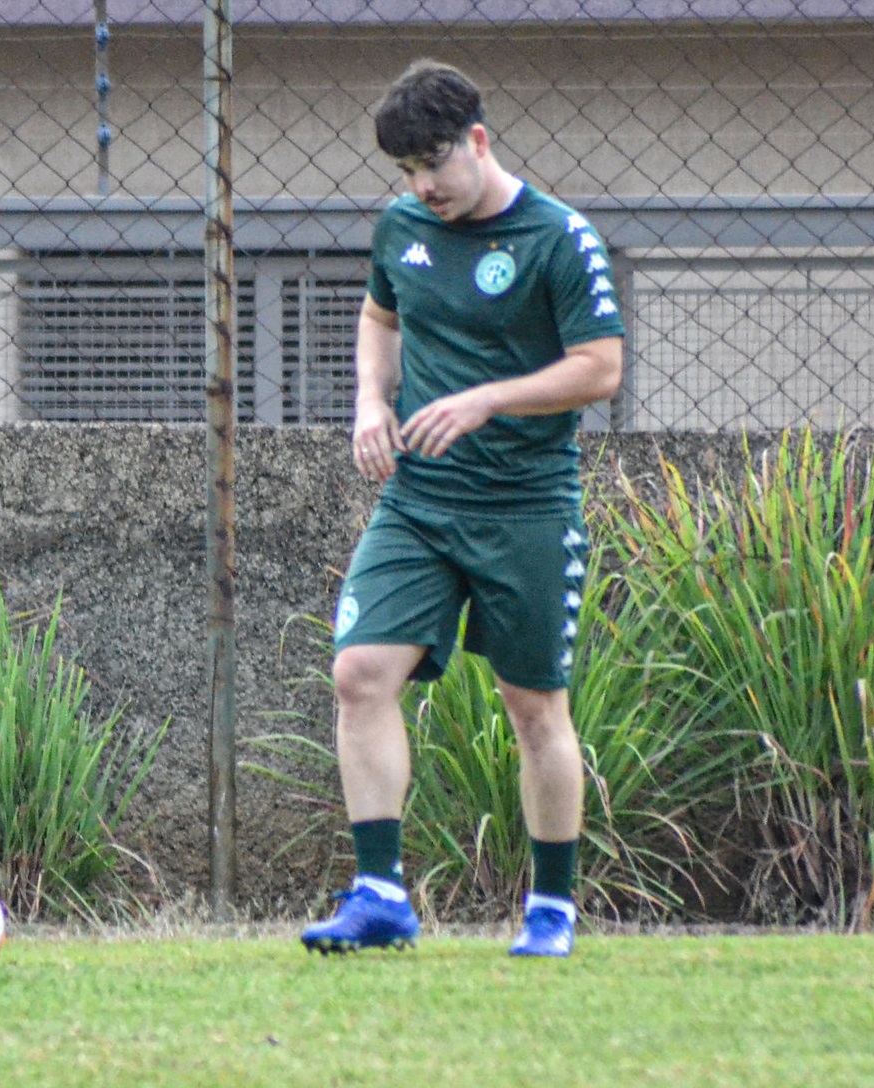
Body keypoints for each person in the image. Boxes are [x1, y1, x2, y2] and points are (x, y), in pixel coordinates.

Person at [300, 59, 625, 959]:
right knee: (360, 674)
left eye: (433, 164)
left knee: (533, 707)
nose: (421, 187)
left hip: (526, 504)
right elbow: (379, 315)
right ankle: (379, 898)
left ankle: (552, 910)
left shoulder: (560, 240)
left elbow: (601, 367)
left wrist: (487, 399)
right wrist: (372, 401)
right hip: (419, 501)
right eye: (405, 172)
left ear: (478, 141)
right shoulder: (404, 226)